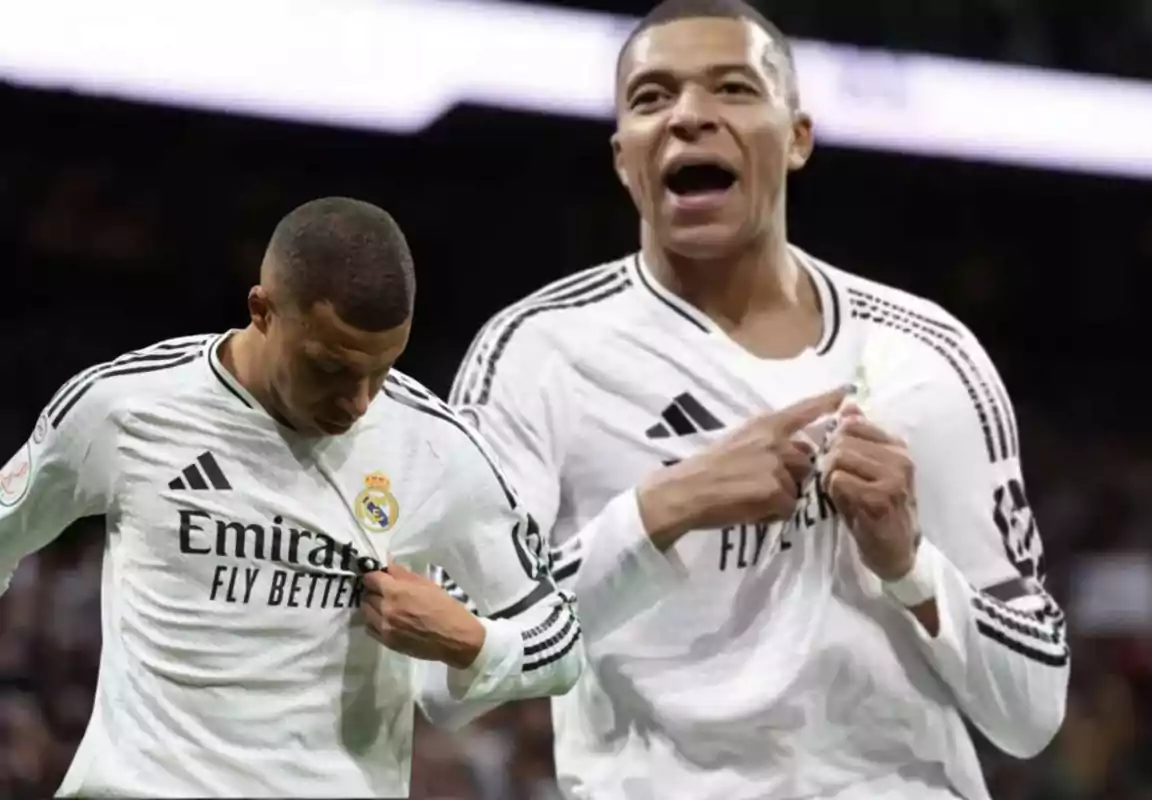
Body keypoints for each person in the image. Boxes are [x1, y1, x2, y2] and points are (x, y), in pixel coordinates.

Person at [437, 1, 1070, 798]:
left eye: (732, 89)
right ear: (623, 156)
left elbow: (1033, 710)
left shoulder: (926, 356)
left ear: (798, 135)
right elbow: (443, 678)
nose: (690, 116)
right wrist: (660, 509)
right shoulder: (538, 356)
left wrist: (909, 566)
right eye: (651, 98)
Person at [0, 197, 582, 798]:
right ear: (263, 310)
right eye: (330, 368)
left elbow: (560, 640)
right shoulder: (123, 408)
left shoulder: (434, 448)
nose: (358, 402)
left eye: (382, 370)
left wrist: (470, 639)